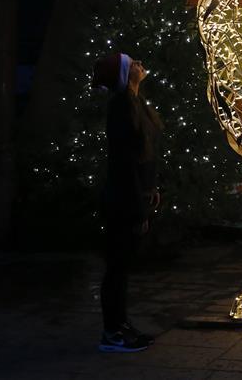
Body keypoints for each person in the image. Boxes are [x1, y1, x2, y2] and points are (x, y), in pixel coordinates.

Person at [91, 52, 163, 353]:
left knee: (122, 267)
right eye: (131, 63)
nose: (139, 64)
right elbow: (125, 161)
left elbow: (143, 153)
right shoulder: (122, 107)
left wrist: (151, 187)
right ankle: (112, 332)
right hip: (124, 198)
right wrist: (138, 205)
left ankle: (121, 326)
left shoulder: (134, 103)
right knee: (117, 268)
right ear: (124, 75)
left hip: (134, 193)